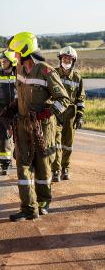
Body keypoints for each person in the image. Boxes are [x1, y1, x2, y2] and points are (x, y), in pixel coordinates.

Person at [0, 32, 70, 221]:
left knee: (42, 167)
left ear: (25, 50)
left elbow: (64, 100)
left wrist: (46, 113)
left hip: (42, 128)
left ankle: (43, 201)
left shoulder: (46, 71)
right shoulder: (19, 70)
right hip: (22, 126)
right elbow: (19, 95)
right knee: (23, 167)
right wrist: (12, 109)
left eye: (15, 52)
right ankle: (29, 208)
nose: (13, 56)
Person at [52, 46, 85, 182]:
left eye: (69, 58)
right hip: (55, 113)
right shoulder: (53, 74)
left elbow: (80, 99)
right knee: (55, 143)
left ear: (73, 60)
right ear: (60, 59)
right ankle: (56, 170)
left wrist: (80, 115)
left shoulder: (77, 78)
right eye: (64, 57)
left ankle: (65, 168)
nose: (67, 60)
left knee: (68, 144)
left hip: (70, 114)